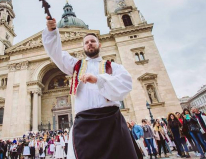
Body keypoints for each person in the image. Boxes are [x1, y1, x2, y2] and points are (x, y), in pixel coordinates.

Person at [42, 16, 136, 159]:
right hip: (85, 125)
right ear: (83, 46)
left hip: (112, 121)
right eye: (86, 42)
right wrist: (51, 32)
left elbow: (126, 84)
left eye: (93, 41)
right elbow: (56, 54)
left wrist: (98, 79)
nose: (90, 44)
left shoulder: (113, 67)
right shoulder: (75, 66)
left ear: (100, 45)